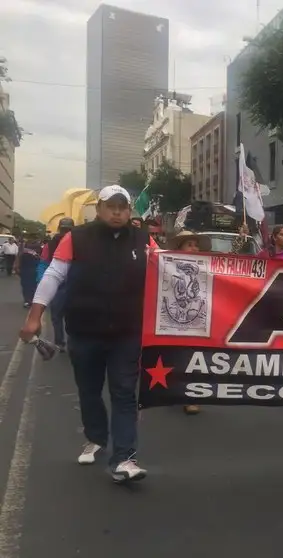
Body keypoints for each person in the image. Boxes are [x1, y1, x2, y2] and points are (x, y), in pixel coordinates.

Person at [20, 185, 157, 483]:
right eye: (111, 206)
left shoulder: (145, 240)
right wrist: (35, 317)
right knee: (90, 391)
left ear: (129, 210)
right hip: (84, 330)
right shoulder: (76, 238)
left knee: (123, 393)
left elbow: (169, 273)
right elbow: (54, 274)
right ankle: (95, 438)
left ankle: (124, 459)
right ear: (99, 209)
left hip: (127, 331)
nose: (118, 212)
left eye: (123, 207)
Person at [167, 230, 212, 415]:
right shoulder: (166, 266)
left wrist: (240, 241)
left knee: (195, 358)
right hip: (174, 320)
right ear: (180, 248)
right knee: (177, 358)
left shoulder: (207, 266)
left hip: (199, 319)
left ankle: (191, 397)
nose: (194, 248)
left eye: (196, 244)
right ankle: (176, 389)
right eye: (189, 244)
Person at [37, 218, 76, 351]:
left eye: (68, 229)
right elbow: (43, 264)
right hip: (59, 286)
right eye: (64, 229)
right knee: (57, 316)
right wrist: (43, 283)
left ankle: (70, 342)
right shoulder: (50, 244)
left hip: (74, 286)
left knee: (72, 316)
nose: (65, 232)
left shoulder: (80, 243)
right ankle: (60, 342)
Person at [14, 235, 42, 308]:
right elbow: (18, 257)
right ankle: (30, 300)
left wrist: (16, 267)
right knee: (31, 285)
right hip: (31, 269)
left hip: (28, 269)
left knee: (27, 285)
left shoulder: (36, 248)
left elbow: (18, 257)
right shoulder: (38, 248)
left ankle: (28, 300)